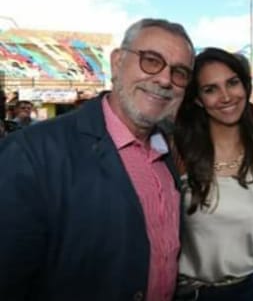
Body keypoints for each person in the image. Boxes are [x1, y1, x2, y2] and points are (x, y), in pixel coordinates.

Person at [0, 18, 194, 301]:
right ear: (117, 62)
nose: (165, 80)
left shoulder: (166, 150)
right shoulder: (32, 153)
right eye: (151, 61)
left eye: (179, 73)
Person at [174, 47, 253, 301]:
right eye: (211, 89)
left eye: (232, 83)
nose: (226, 97)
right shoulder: (178, 150)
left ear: (245, 86)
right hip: (194, 292)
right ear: (198, 99)